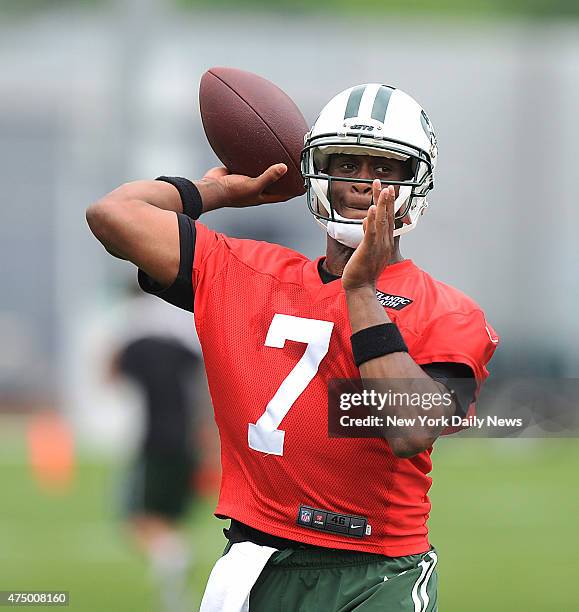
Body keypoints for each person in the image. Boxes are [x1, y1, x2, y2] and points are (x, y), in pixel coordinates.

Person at [87, 83, 499, 611]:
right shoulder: (246, 272)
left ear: (414, 183)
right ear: (317, 170)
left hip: (376, 570)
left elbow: (407, 429)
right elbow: (112, 215)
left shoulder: (450, 313)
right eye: (346, 164)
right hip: (255, 561)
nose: (362, 184)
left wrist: (360, 294)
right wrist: (218, 193)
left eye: (384, 168)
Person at [108, 285, 203, 612]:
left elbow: (109, 373)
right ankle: (173, 582)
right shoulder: (180, 341)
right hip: (186, 439)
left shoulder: (135, 341)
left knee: (137, 519)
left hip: (152, 439)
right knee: (168, 518)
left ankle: (173, 561)